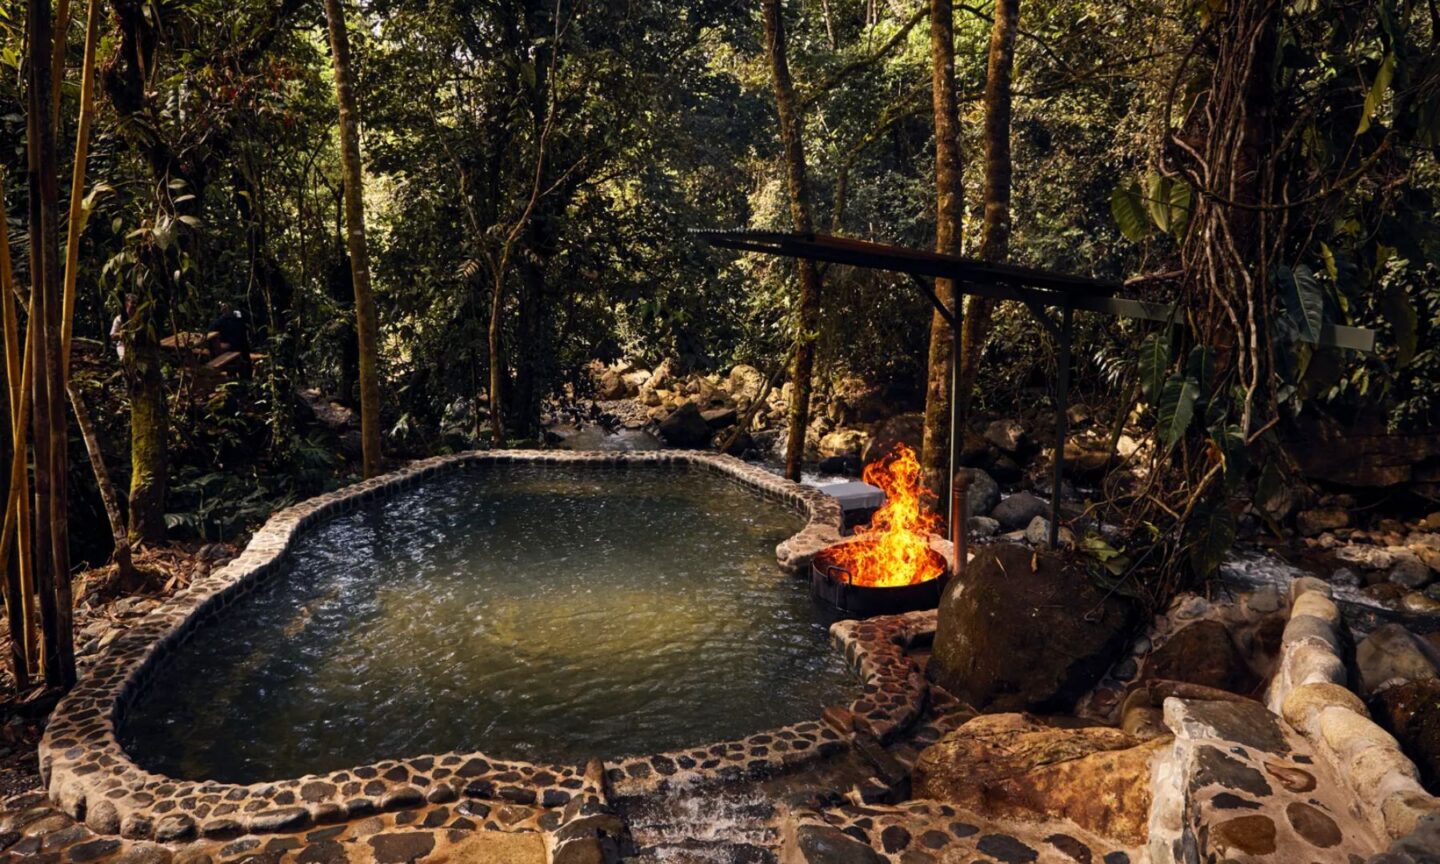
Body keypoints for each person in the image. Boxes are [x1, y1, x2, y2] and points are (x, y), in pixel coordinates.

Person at [210, 305, 252, 379]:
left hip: (235, 346)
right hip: (239, 346)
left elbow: (211, 328)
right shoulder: (235, 317)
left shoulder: (223, 320)